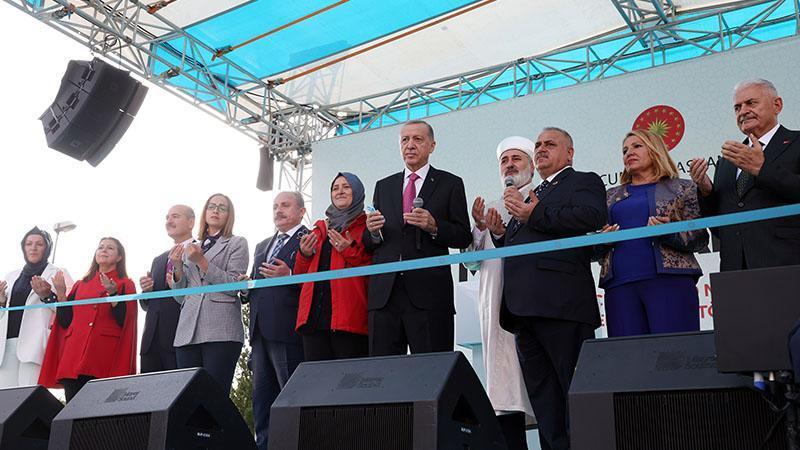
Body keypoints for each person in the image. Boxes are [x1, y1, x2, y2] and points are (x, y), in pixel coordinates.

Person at [486, 127, 606, 450]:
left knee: (575, 394)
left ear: (569, 153)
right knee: (545, 402)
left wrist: (534, 213)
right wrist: (500, 235)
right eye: (538, 144)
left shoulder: (583, 181)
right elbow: (526, 240)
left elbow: (592, 216)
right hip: (522, 312)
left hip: (562, 306)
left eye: (549, 144)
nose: (540, 148)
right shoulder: (533, 192)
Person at [364, 120, 472, 356]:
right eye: (405, 140)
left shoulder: (450, 183)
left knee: (432, 370)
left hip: (429, 294)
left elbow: (463, 236)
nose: (410, 145)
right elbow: (370, 242)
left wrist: (434, 226)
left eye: (417, 139)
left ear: (432, 146)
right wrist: (371, 231)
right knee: (382, 372)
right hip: (386, 296)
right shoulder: (384, 186)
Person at [597, 130, 708, 337]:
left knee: (675, 351)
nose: (629, 152)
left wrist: (668, 232)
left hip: (670, 281)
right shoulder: (610, 196)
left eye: (637, 146)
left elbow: (700, 238)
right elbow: (594, 243)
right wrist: (602, 240)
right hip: (619, 286)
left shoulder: (683, 188)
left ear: (655, 150)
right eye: (624, 150)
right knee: (628, 353)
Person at [467, 137, 535, 450]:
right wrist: (480, 227)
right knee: (504, 392)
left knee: (540, 386)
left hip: (533, 303)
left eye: (516, 159)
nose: (509, 165)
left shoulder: (541, 200)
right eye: (504, 160)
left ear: (532, 166)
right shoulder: (491, 208)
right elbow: (471, 262)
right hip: (495, 304)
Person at [690, 79, 800, 271]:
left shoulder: (796, 143)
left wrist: (762, 169)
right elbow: (719, 226)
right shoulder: (727, 161)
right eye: (737, 107)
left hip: (788, 264)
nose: (743, 111)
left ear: (777, 105)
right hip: (735, 270)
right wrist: (707, 192)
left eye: (751, 103)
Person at [242, 191, 306, 450]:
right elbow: (255, 286)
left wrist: (289, 274)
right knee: (262, 401)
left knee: (291, 397)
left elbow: (316, 283)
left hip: (288, 330)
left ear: (301, 211)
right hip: (259, 332)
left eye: (286, 205)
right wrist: (245, 287)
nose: (279, 210)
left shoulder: (309, 238)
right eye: (275, 206)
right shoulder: (262, 245)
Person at [38, 237, 137, 401]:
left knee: (97, 409)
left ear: (120, 257)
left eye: (110, 248)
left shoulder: (125, 283)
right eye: (101, 247)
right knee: (72, 409)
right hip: (73, 356)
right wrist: (61, 292)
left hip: (102, 357)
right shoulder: (80, 284)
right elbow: (65, 321)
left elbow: (125, 321)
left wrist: (113, 294)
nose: (104, 250)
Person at [171, 193, 248, 394]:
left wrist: (202, 262)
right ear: (205, 212)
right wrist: (178, 267)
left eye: (222, 208)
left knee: (214, 396)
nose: (215, 211)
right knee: (187, 398)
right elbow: (180, 298)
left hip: (221, 329)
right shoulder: (192, 246)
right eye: (211, 206)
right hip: (187, 330)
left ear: (229, 215)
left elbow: (234, 286)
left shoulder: (237, 243)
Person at [295, 173, 371, 361]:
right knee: (317, 378)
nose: (340, 191)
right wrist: (304, 254)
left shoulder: (367, 226)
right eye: (335, 188)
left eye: (346, 187)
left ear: (357, 192)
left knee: (349, 377)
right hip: (313, 320)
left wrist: (348, 250)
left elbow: (373, 268)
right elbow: (300, 276)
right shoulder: (318, 229)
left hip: (349, 320)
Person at [0, 227, 73, 387]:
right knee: (4, 396)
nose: (33, 248)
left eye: (39, 244)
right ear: (23, 247)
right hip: (6, 345)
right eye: (29, 244)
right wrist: (2, 301)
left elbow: (68, 314)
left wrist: (47, 296)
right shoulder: (11, 276)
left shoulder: (58, 273)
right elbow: (4, 313)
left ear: (47, 248)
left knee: (29, 394)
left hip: (34, 345)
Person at [138, 205, 195, 373]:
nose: (169, 221)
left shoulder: (200, 252)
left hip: (182, 339)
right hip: (151, 342)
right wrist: (147, 291)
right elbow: (147, 305)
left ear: (191, 222)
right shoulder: (158, 260)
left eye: (175, 216)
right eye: (167, 217)